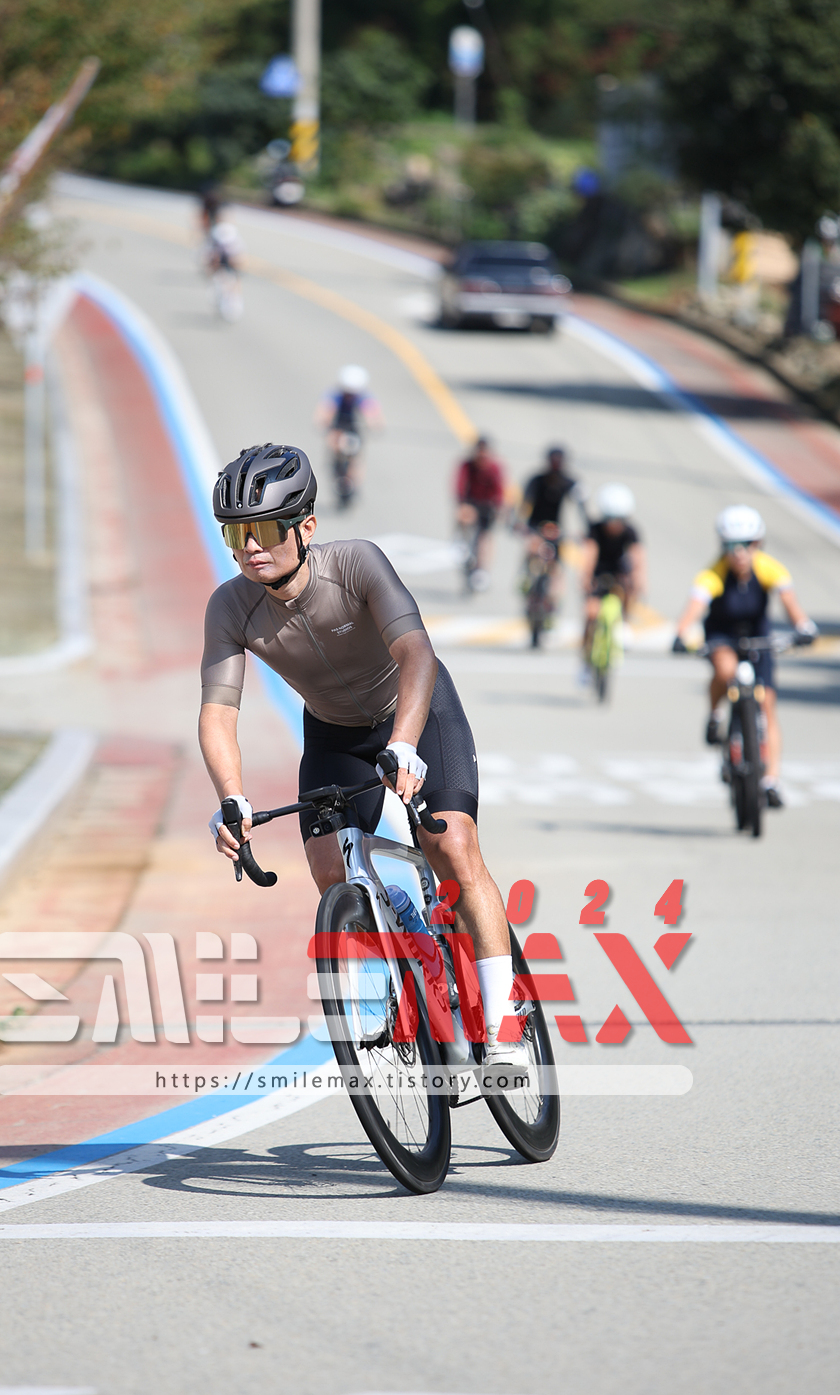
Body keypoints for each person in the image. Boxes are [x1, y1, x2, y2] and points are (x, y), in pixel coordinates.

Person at [199, 443, 525, 1065]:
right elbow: (218, 712)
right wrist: (232, 799)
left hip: (417, 709)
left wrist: (404, 741)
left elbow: (417, 654)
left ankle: (503, 1021)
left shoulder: (356, 564)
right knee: (330, 871)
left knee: (453, 846)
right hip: (335, 734)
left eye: (265, 530)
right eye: (237, 534)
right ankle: (404, 947)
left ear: (306, 527)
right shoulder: (230, 606)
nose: (251, 547)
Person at [670, 505, 818, 807]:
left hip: (759, 638)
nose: (739, 553)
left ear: (758, 543)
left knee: (768, 705)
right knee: (725, 671)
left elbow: (790, 603)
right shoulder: (713, 574)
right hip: (722, 635)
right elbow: (695, 606)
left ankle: (771, 780)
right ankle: (715, 714)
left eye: (747, 545)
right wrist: (681, 633)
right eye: (731, 546)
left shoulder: (770, 569)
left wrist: (804, 627)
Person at [579, 482, 645, 674]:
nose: (615, 524)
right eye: (611, 519)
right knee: (591, 614)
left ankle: (625, 623)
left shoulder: (631, 532)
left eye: (620, 519)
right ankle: (584, 661)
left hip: (619, 573)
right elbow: (589, 554)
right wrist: (585, 578)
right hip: (599, 573)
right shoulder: (595, 530)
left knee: (630, 589)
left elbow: (638, 558)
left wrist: (639, 580)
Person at [516, 444, 587, 611]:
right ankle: (526, 576)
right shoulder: (536, 480)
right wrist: (518, 521)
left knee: (557, 568)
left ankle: (553, 601)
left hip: (557, 529)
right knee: (532, 548)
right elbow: (524, 502)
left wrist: (585, 530)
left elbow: (581, 507)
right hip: (536, 525)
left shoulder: (570, 482)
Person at [313, 365, 383, 509]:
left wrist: (375, 425)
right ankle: (336, 468)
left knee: (357, 457)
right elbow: (324, 410)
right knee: (333, 442)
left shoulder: (364, 396)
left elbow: (373, 413)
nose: (350, 396)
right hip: (338, 426)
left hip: (354, 428)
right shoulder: (334, 394)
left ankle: (355, 481)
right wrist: (322, 422)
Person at [454, 435, 505, 592]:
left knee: (486, 537)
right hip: (471, 503)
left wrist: (499, 509)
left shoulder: (494, 468)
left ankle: (483, 568)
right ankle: (463, 543)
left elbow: (500, 491)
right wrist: (462, 504)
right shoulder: (467, 465)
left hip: (488, 507)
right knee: (463, 516)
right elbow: (459, 486)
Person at [204, 221, 243, 321]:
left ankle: (233, 299)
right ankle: (220, 296)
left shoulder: (237, 243)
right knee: (218, 278)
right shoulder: (212, 243)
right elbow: (209, 262)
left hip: (231, 260)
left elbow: (241, 263)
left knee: (234, 277)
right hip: (217, 260)